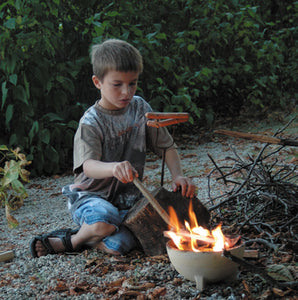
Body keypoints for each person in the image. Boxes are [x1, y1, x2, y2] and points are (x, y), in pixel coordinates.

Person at [30, 39, 196, 257]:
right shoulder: (91, 121)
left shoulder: (140, 108)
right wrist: (113, 168)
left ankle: (97, 239)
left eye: (133, 83)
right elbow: (88, 166)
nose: (126, 92)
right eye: (117, 85)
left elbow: (166, 146)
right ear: (97, 82)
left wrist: (178, 176)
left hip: (128, 202)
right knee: (105, 220)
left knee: (119, 246)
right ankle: (72, 240)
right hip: (91, 198)